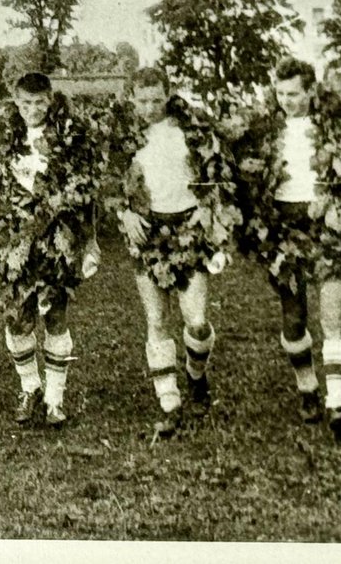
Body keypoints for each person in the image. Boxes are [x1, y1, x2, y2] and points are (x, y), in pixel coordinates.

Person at [234, 58, 341, 439]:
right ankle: (307, 386)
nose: (287, 100)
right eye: (281, 93)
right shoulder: (262, 128)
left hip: (327, 221)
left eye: (295, 94)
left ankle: (338, 403)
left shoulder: (335, 125)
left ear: (311, 91)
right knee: (294, 318)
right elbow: (244, 174)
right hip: (281, 227)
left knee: (333, 314)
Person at [120, 67, 231, 439]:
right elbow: (106, 180)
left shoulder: (192, 128)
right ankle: (169, 402)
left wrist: (207, 202)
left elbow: (215, 170)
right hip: (147, 229)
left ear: (168, 94)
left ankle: (196, 377)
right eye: (142, 100)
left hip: (187, 228)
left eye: (156, 99)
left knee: (196, 320)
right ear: (132, 98)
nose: (149, 107)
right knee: (157, 319)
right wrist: (124, 212)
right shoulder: (123, 134)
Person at [0, 72, 103, 428]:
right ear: (16, 102)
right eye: (25, 103)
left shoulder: (70, 136)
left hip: (57, 235)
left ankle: (55, 397)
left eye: (40, 102)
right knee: (18, 318)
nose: (32, 109)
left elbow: (87, 194)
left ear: (51, 100)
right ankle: (29, 387)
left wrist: (90, 241)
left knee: (54, 314)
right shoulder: (5, 135)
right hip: (15, 237)